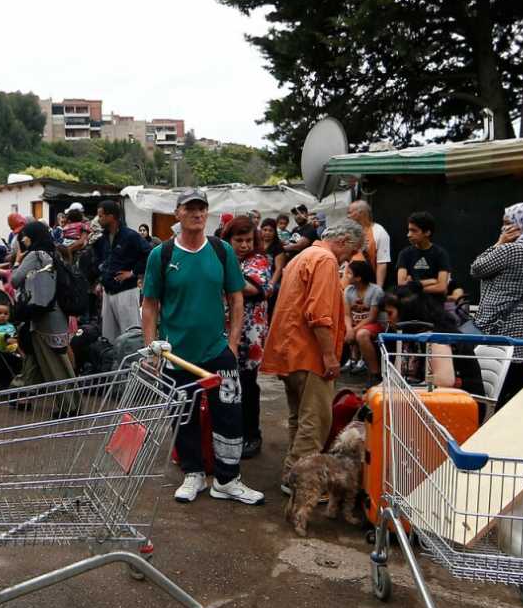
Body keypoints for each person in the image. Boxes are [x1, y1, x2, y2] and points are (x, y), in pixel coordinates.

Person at [142, 188, 264, 506]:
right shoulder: (162, 255)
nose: (197, 214)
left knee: (230, 415)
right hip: (176, 355)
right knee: (184, 416)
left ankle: (227, 479)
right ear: (178, 213)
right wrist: (151, 347)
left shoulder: (221, 251)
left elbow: (236, 298)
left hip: (217, 352)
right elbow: (150, 304)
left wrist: (233, 342)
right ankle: (193, 474)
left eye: (202, 208)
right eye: (190, 208)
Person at [262, 220, 362, 489]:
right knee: (315, 421)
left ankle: (292, 474)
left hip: (289, 352)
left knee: (300, 418)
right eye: (350, 254)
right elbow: (319, 315)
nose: (347, 261)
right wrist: (330, 357)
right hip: (309, 354)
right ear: (343, 242)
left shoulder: (302, 257)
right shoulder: (325, 260)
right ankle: (298, 481)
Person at [471, 202, 523, 409]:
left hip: (502, 328)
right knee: (518, 394)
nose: (505, 228)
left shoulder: (510, 250)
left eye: (508, 223)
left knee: (493, 393)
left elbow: (477, 268)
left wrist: (499, 242)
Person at [222, 216, 272, 459]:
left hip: (248, 336)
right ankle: (230, 434)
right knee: (226, 385)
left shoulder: (259, 260)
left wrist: (222, 274)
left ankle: (252, 436)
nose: (243, 245)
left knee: (247, 385)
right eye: (238, 240)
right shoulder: (226, 259)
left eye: (248, 240)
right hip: (224, 330)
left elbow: (252, 288)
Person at [11, 221, 77, 397]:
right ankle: (22, 395)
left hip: (43, 316)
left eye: (25, 235)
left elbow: (15, 280)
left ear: (33, 236)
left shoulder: (35, 255)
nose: (23, 239)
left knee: (55, 364)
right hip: (58, 314)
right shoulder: (53, 252)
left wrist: (18, 261)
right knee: (54, 359)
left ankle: (69, 405)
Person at [392, 283, 485, 397]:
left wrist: (406, 390)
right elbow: (396, 376)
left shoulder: (437, 338)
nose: (387, 319)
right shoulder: (413, 337)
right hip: (435, 399)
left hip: (463, 402)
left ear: (407, 312)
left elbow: (443, 382)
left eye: (389, 313)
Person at [91, 200, 150, 341]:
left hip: (126, 292)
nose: (99, 219)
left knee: (130, 335)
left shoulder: (130, 236)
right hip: (108, 292)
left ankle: (132, 362)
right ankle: (112, 362)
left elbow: (149, 254)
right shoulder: (103, 238)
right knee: (109, 336)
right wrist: (100, 281)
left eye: (101, 216)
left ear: (111, 216)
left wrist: (133, 272)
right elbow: (105, 262)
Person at [343, 260, 385, 381]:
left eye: (349, 273)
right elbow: (347, 315)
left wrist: (353, 330)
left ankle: (375, 373)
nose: (346, 276)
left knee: (361, 334)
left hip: (373, 325)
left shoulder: (375, 291)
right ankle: (351, 360)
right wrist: (349, 329)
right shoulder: (348, 290)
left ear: (358, 277)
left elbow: (372, 317)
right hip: (355, 323)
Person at [395, 211, 451, 298]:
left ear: (427, 233)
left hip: (434, 306)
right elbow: (401, 285)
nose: (408, 235)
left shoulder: (440, 254)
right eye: (409, 230)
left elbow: (442, 287)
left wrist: (413, 286)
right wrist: (432, 281)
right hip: (411, 304)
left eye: (414, 231)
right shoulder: (405, 253)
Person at [346, 200, 392, 288]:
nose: (348, 216)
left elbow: (381, 263)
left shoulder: (379, 232)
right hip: (349, 284)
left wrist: (378, 288)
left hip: (368, 285)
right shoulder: (348, 231)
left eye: (350, 213)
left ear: (361, 213)